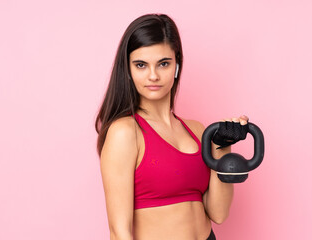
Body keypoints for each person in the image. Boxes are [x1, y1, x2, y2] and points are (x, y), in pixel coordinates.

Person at [95, 13, 249, 240]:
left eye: (163, 63)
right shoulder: (125, 133)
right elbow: (119, 232)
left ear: (176, 65)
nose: (153, 75)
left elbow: (219, 213)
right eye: (141, 65)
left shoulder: (198, 131)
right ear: (128, 70)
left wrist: (222, 148)